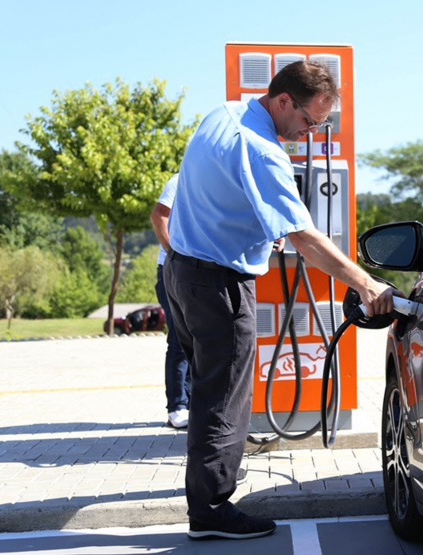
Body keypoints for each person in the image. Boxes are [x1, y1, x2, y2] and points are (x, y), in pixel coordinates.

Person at [163, 60, 396, 541]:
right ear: (284, 100)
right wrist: (366, 284)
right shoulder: (264, 150)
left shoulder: (225, 113)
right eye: (310, 120)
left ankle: (209, 484)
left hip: (182, 273)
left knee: (210, 393)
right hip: (219, 284)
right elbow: (307, 239)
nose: (310, 133)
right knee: (225, 399)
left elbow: (209, 188)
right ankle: (209, 510)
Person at [150, 173, 191, 429]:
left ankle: (191, 403)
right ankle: (177, 407)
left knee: (197, 338)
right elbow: (158, 215)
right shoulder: (180, 180)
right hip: (173, 268)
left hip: (198, 269)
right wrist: (172, 252)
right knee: (179, 336)